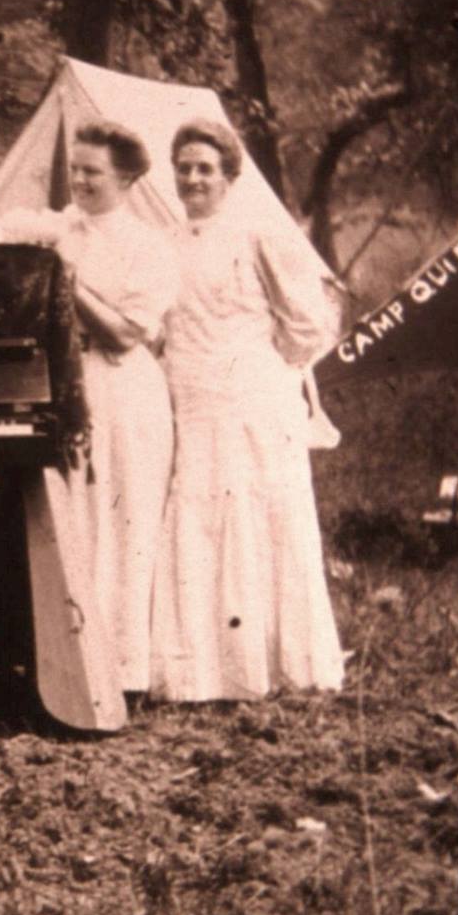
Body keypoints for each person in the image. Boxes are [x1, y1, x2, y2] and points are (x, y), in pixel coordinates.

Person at [149, 119, 344, 701]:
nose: (192, 178)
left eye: (205, 168)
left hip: (251, 400)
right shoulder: (167, 240)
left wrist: (262, 366)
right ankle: (204, 672)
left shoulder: (258, 234)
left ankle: (272, 666)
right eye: (184, 167)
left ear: (230, 176)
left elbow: (309, 321)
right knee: (198, 517)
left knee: (258, 517)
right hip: (189, 397)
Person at [4, 122, 179, 697]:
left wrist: (66, 280)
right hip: (62, 382)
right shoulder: (60, 228)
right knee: (69, 518)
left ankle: (123, 671)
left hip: (120, 390)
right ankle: (67, 667)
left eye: (92, 172)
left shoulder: (149, 245)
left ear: (126, 178)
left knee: (122, 521)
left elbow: (125, 335)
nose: (78, 180)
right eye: (75, 169)